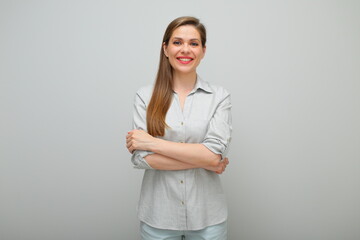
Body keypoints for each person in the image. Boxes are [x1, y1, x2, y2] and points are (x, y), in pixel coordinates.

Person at [126, 16, 232, 240]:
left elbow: (214, 154)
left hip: (208, 219)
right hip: (158, 218)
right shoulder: (144, 97)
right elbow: (141, 158)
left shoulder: (219, 97)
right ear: (165, 48)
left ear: (203, 51)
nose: (186, 49)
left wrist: (152, 143)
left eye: (194, 43)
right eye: (177, 42)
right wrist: (205, 160)